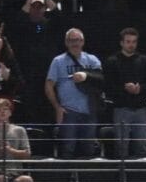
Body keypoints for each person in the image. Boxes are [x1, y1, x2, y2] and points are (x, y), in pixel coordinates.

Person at [44, 28, 103, 160]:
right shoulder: (58, 61)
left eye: (77, 40)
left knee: (89, 150)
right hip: (68, 112)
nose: (74, 43)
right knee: (67, 150)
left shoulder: (92, 60)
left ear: (82, 41)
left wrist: (86, 75)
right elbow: (48, 85)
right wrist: (57, 107)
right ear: (66, 42)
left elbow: (102, 79)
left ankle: (86, 179)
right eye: (71, 40)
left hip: (89, 112)